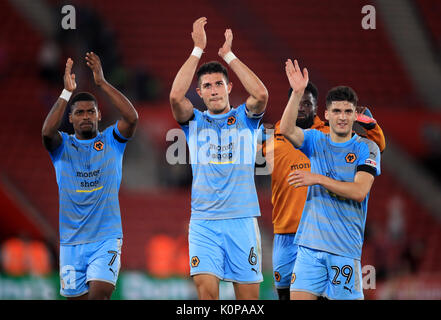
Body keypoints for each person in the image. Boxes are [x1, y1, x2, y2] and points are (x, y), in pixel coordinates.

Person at [169, 17, 268, 300]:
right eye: (207, 86)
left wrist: (228, 55)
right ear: (199, 92)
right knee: (208, 296)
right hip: (204, 222)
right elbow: (176, 96)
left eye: (218, 84)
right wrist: (197, 49)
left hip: (242, 221)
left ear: (229, 87)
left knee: (248, 301)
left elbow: (261, 94)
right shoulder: (194, 121)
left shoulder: (245, 119)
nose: (213, 90)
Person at [262, 82, 385, 300]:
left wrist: (317, 178)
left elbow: (359, 191)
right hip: (305, 242)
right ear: (327, 113)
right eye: (337, 111)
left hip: (343, 246)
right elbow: (288, 129)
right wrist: (297, 91)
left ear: (355, 115)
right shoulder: (313, 139)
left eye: (348, 111)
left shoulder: (365, 147)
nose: (342, 116)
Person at [42, 52, 138, 299]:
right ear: (71, 119)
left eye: (90, 111)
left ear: (99, 115)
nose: (85, 116)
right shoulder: (62, 145)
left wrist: (102, 83)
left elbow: (131, 117)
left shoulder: (111, 141)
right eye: (80, 113)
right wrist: (66, 93)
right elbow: (46, 132)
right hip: (71, 243)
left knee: (100, 295)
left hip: (105, 238)